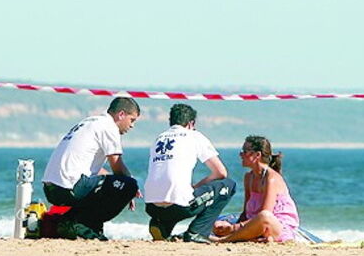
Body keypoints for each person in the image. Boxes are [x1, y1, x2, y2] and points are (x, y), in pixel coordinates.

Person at [41, 96, 141, 240]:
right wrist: (130, 188)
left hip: (51, 189)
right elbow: (117, 165)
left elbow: (94, 170)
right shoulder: (108, 126)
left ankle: (77, 223)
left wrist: (117, 183)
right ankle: (78, 223)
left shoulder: (89, 122)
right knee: (129, 184)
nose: (132, 126)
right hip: (70, 187)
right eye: (132, 120)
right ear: (121, 114)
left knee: (108, 185)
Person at [142, 103, 235, 243]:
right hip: (179, 207)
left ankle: (162, 225)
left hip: (151, 206)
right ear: (191, 123)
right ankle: (197, 232)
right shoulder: (193, 135)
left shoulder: (159, 138)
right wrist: (197, 186)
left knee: (176, 195)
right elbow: (221, 172)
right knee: (228, 185)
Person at [211, 135, 299, 243]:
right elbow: (245, 213)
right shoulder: (248, 177)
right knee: (216, 224)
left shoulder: (271, 179)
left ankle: (225, 240)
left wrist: (233, 228)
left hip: (276, 225)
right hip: (253, 224)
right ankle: (252, 237)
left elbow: (265, 214)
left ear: (257, 155)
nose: (241, 154)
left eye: (245, 151)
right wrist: (230, 226)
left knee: (264, 216)